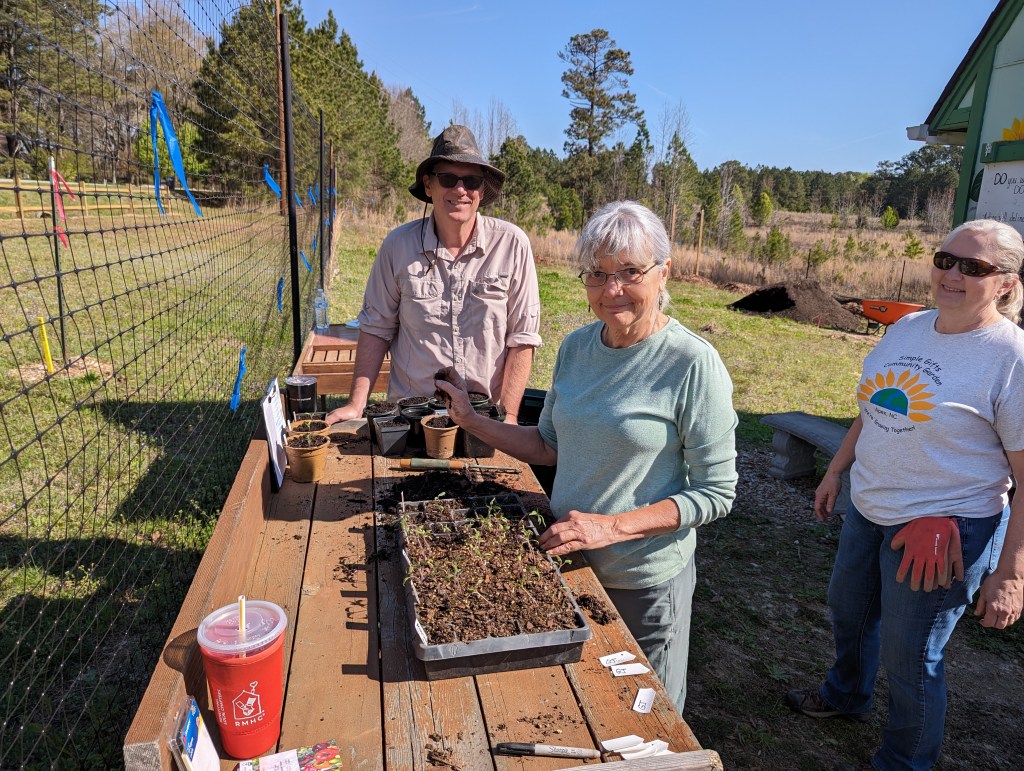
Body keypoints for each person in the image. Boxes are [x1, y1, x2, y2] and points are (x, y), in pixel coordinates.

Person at [435, 200, 738, 713]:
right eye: (597, 275)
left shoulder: (692, 363)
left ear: (664, 273)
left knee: (645, 714)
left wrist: (611, 528)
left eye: (628, 273)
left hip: (642, 579)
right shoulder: (577, 347)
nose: (611, 290)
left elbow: (717, 493)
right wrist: (470, 420)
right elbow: (548, 447)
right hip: (568, 563)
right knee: (581, 705)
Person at [786, 218, 1024, 770]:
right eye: (945, 259)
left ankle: (903, 761)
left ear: (1007, 283)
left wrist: (1010, 574)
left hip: (942, 530)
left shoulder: (1010, 357)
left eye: (974, 267)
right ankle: (846, 695)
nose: (952, 275)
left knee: (912, 656)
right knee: (848, 612)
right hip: (870, 508)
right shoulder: (910, 327)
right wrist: (835, 470)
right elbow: (878, 406)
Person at [326, 125, 540, 425]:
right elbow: (376, 327)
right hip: (413, 412)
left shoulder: (512, 245)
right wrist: (355, 404)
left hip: (484, 415)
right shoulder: (398, 246)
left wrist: (511, 417)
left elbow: (522, 339)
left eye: (471, 180)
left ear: (481, 189)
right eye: (448, 179)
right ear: (429, 185)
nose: (460, 190)